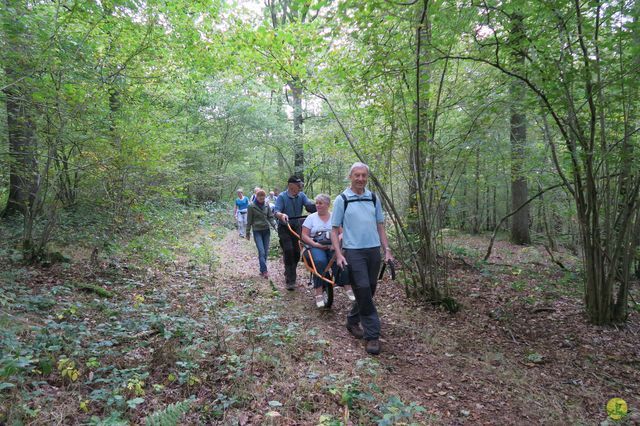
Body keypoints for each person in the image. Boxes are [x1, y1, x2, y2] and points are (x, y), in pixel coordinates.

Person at [331, 162, 394, 355]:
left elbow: (380, 225)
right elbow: (334, 230)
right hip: (354, 252)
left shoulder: (373, 197)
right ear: (350, 177)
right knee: (364, 289)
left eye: (364, 175)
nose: (360, 179)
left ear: (367, 177)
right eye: (357, 175)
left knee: (369, 289)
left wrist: (387, 249)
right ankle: (372, 335)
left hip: (373, 251)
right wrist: (339, 254)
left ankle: (352, 320)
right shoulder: (342, 199)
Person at [301, 194, 355, 308]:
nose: (318, 205)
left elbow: (342, 232)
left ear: (327, 205)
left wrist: (336, 241)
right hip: (316, 245)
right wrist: (314, 244)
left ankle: (346, 285)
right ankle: (319, 292)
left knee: (339, 259)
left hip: (332, 246)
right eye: (317, 203)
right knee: (320, 261)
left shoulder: (334, 217)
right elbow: (304, 235)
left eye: (321, 203)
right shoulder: (311, 218)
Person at [273, 176, 317, 290]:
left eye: (300, 186)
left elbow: (308, 206)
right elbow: (276, 211)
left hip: (297, 227)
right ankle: (290, 280)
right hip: (284, 228)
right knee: (288, 251)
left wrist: (319, 206)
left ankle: (289, 270)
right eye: (298, 186)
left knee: (297, 253)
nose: (300, 188)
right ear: (291, 186)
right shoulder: (282, 197)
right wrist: (281, 215)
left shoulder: (301, 195)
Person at [246, 189, 277, 279]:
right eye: (260, 198)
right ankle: (264, 271)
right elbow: (249, 220)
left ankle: (262, 269)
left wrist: (275, 226)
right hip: (257, 231)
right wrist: (247, 232)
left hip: (266, 230)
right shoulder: (251, 206)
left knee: (266, 251)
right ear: (257, 197)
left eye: (263, 198)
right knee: (261, 251)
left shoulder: (267, 205)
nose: (262, 199)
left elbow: (270, 217)